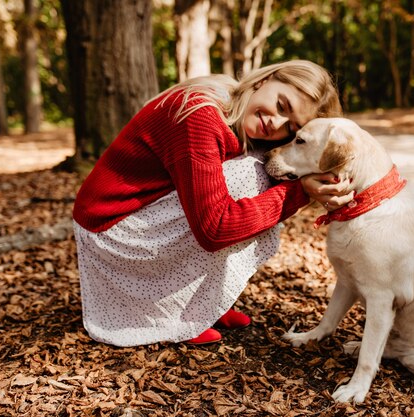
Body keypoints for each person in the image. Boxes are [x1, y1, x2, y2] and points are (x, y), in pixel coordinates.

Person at [72, 60, 354, 347]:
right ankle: (179, 317)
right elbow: (214, 229)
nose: (276, 124)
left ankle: (204, 304)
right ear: (263, 80)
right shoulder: (200, 115)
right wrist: (300, 193)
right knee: (252, 175)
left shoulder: (237, 111)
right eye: (282, 105)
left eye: (291, 127)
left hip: (144, 214)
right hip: (112, 229)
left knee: (264, 170)